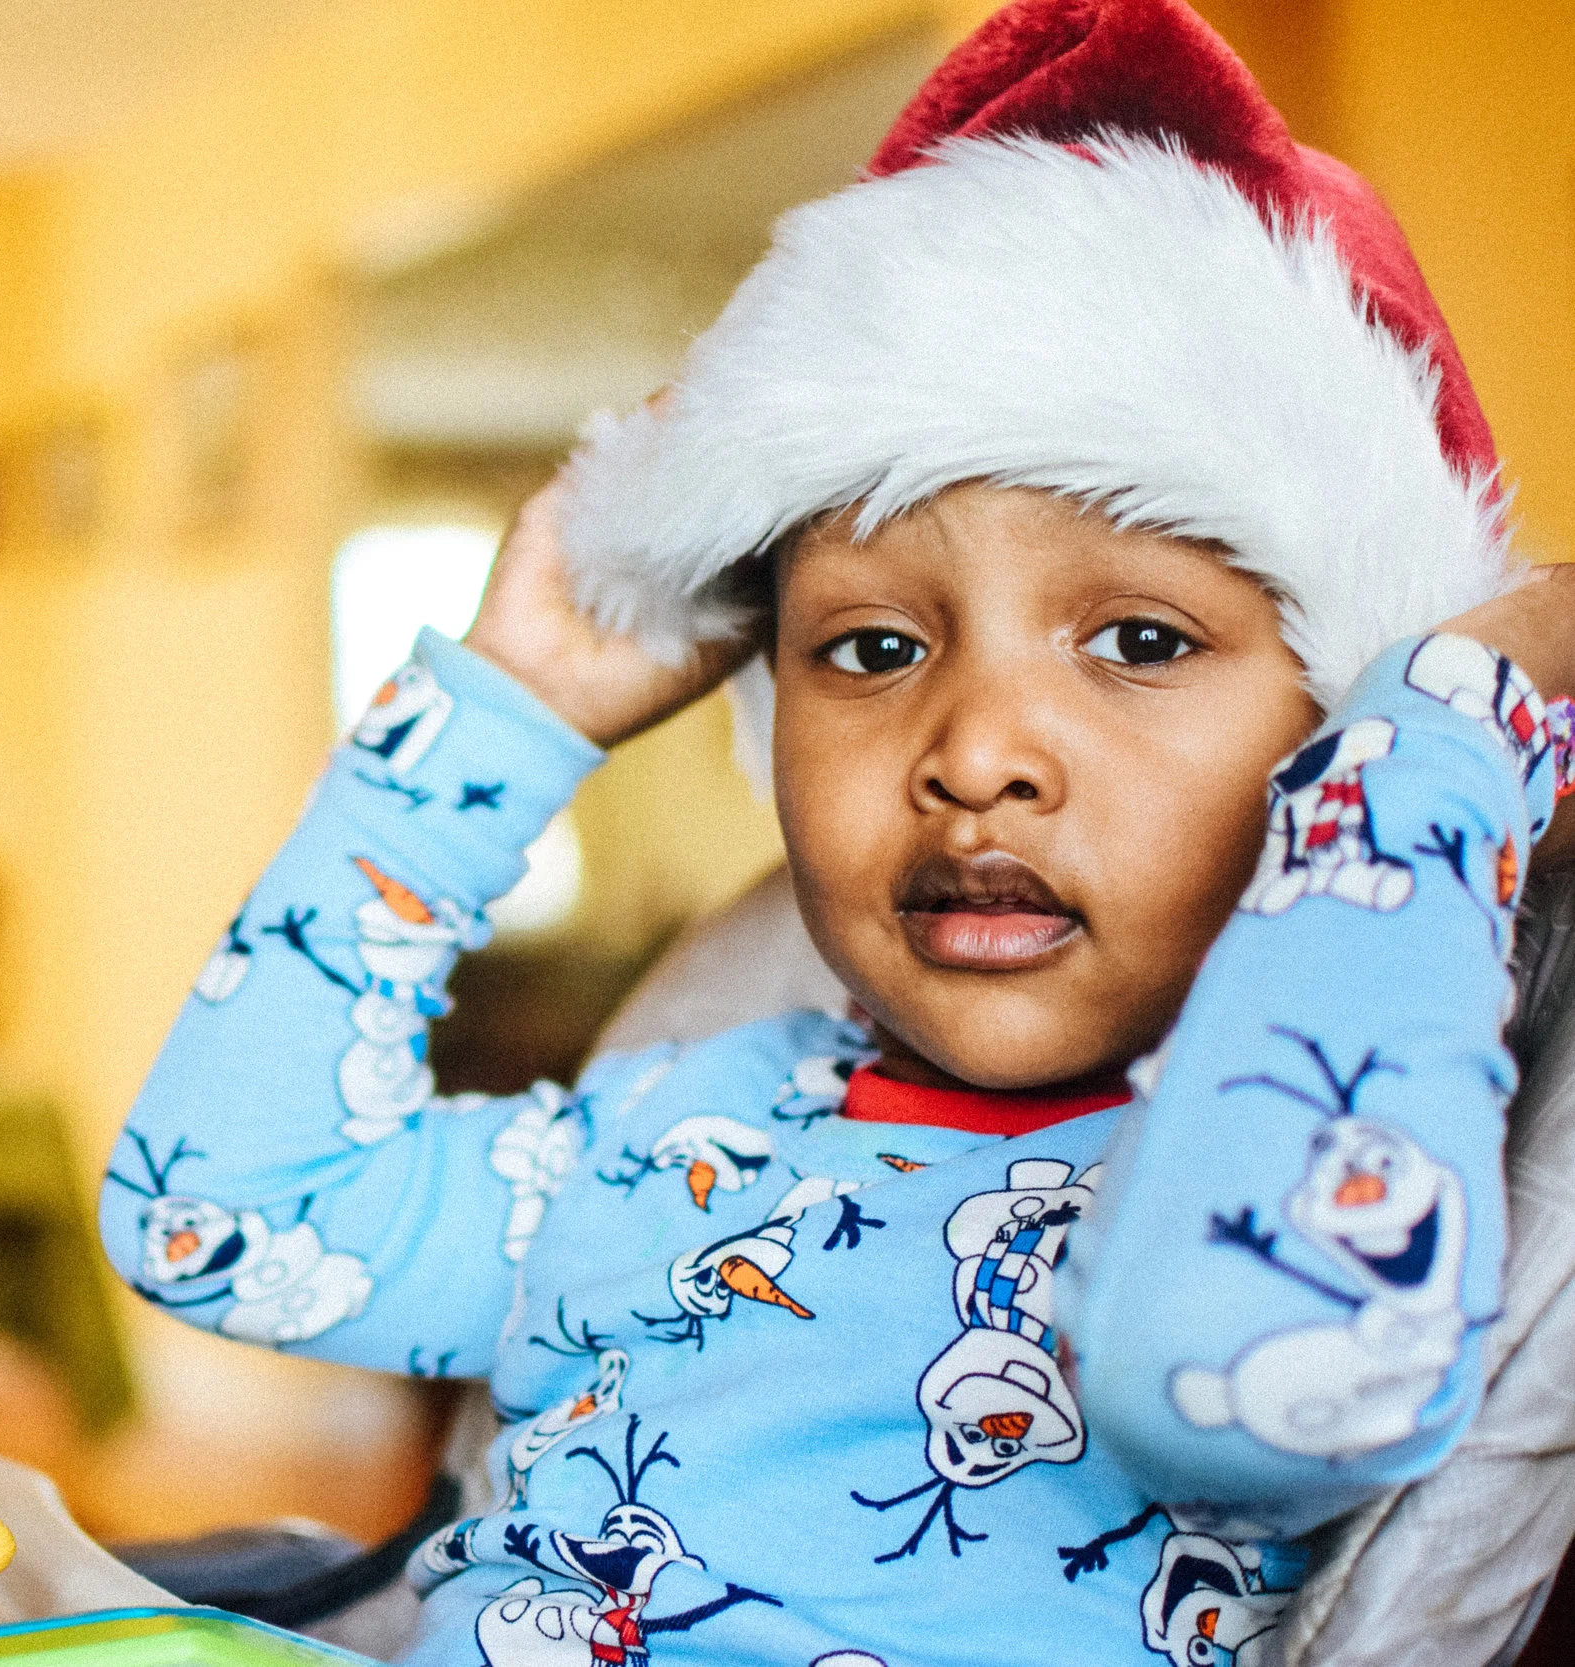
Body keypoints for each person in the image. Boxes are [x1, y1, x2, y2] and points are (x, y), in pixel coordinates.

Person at [98, 3, 1575, 1662]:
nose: (974, 751)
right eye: (873, 648)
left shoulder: (1336, 1164)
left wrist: (1444, 736)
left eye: (1141, 641)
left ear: (1335, 735)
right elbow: (211, 1209)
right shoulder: (680, 1129)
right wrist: (511, 705)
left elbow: (1238, 1373)